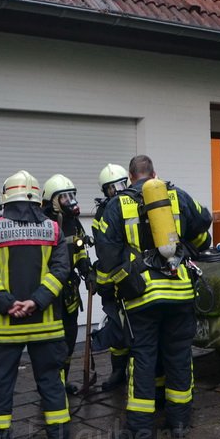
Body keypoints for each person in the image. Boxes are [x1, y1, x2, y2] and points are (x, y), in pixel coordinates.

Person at [95, 155, 212, 439]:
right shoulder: (176, 194)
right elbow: (202, 227)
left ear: (131, 176)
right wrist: (190, 249)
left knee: (143, 359)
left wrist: (120, 283)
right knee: (179, 356)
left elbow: (107, 255)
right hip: (180, 292)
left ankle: (140, 430)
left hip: (142, 297)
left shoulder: (116, 205)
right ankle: (180, 422)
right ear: (154, 174)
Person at [0, 170, 71, 439]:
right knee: (51, 382)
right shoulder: (54, 229)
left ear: (7, 198)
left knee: (1, 385)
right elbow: (60, 271)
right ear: (37, 198)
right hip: (47, 325)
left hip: (6, 327)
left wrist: (8, 303)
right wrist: (36, 301)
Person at [41, 174, 93, 396]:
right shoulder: (42, 223)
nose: (69, 200)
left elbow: (80, 248)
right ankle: (50, 387)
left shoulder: (73, 222)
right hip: (49, 293)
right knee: (51, 341)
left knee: (69, 337)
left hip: (69, 291)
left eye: (71, 195)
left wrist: (87, 271)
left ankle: (62, 381)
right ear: (52, 200)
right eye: (63, 196)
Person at [90, 163, 131, 392]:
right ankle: (118, 371)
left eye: (121, 184)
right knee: (117, 326)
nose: (117, 191)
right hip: (116, 279)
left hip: (134, 278)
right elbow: (102, 248)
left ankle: (138, 373)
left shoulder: (137, 204)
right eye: (112, 188)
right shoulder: (103, 212)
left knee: (137, 327)